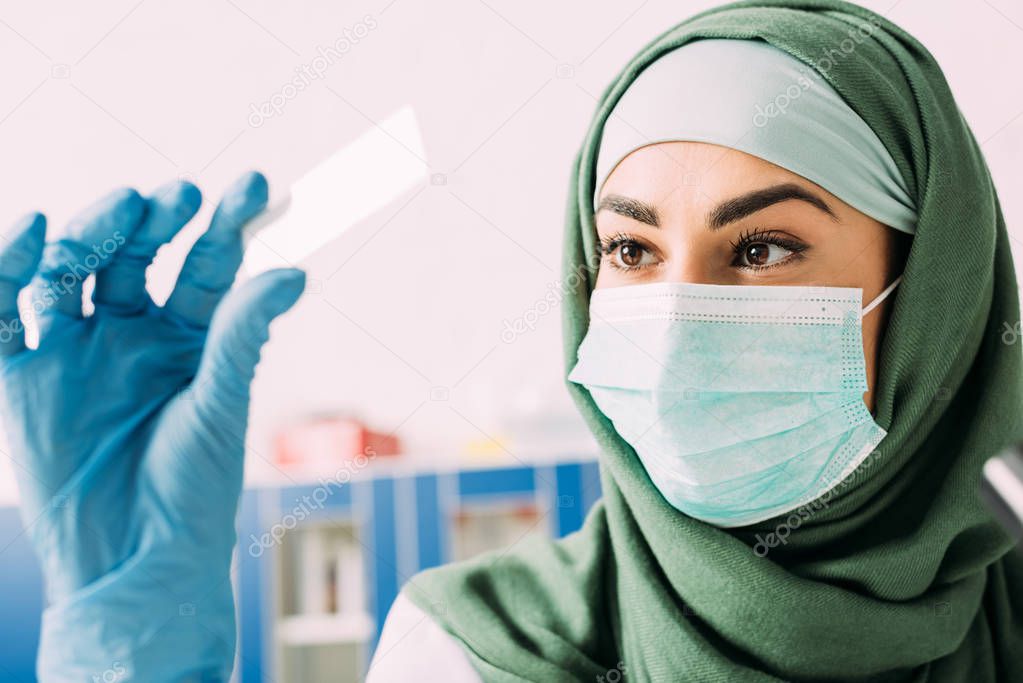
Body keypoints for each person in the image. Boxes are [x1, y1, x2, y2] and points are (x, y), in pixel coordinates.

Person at [1, 1, 1019, 681]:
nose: (673, 320)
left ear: (935, 291)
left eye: (760, 246)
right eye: (627, 247)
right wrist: (129, 651)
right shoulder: (477, 650)